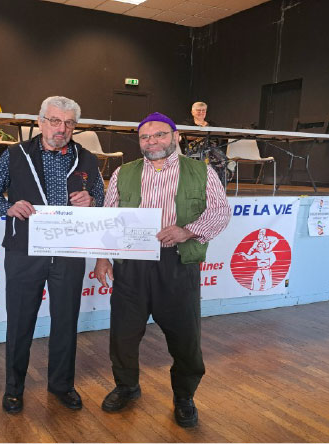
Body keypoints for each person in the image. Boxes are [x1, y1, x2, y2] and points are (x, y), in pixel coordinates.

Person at [94, 112, 230, 428]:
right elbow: (108, 218)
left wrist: (188, 231)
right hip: (131, 264)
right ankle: (127, 386)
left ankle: (184, 397)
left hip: (177, 263)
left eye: (159, 135)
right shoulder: (123, 173)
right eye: (145, 137)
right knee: (123, 334)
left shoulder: (201, 171)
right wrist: (102, 258)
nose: (152, 141)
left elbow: (220, 213)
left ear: (175, 137)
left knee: (184, 337)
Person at [0, 96, 105, 414]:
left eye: (68, 123)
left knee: (66, 321)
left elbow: (103, 200)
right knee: (20, 322)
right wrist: (8, 207)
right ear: (40, 122)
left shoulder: (88, 158)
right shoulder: (15, 154)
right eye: (55, 121)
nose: (61, 128)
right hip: (24, 250)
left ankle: (62, 385)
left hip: (69, 251)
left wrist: (91, 201)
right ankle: (14, 389)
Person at [181, 101, 234, 185]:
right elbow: (186, 136)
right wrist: (203, 135)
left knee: (209, 149)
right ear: (192, 112)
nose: (201, 112)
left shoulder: (212, 124)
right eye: (198, 110)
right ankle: (226, 162)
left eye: (203, 110)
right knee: (207, 146)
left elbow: (219, 134)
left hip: (211, 150)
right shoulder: (187, 124)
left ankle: (216, 182)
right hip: (193, 149)